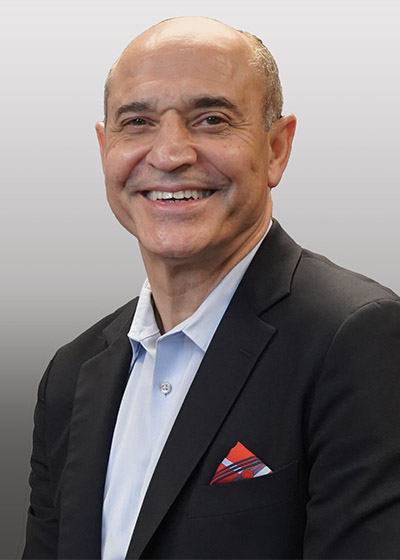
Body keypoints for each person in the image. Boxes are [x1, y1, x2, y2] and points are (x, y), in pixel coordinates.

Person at [23, 16, 400, 560]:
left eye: (211, 120)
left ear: (276, 148)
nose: (170, 154)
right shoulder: (70, 374)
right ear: (105, 148)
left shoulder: (359, 340)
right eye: (138, 122)